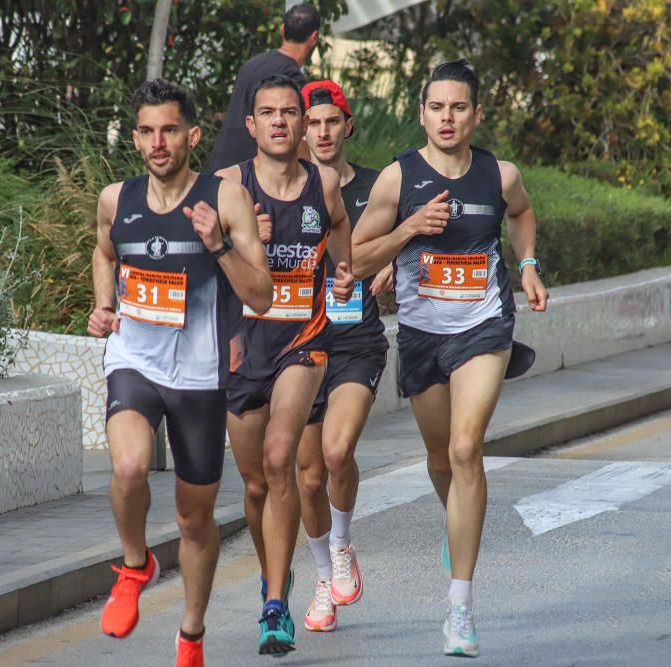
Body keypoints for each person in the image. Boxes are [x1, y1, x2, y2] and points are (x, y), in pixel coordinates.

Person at [351, 59, 547, 658]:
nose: (447, 118)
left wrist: (530, 263)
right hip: (421, 335)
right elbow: (356, 260)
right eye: (437, 107)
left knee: (466, 449)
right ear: (422, 114)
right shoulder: (397, 179)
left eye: (459, 107)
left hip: (484, 327)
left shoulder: (499, 175)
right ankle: (455, 517)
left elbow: (522, 214)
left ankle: (459, 607)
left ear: (476, 114)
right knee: (441, 457)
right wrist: (408, 229)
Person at [89, 78, 273, 667]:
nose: (157, 142)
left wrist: (218, 245)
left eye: (169, 130)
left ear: (192, 134)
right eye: (146, 131)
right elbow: (104, 252)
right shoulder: (116, 199)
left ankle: (191, 634)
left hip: (200, 374)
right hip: (134, 360)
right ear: (136, 137)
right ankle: (135, 564)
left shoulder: (225, 199)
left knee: (195, 519)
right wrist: (104, 306)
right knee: (128, 465)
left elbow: (263, 295)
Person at [214, 74, 355, 657]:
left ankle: (275, 606)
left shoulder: (322, 182)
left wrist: (343, 268)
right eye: (267, 113)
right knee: (253, 485)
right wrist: (244, 238)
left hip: (305, 339)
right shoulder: (227, 186)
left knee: (281, 460)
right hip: (244, 347)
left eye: (289, 113)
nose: (279, 121)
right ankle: (278, 571)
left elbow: (341, 224)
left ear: (303, 124)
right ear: (252, 126)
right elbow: (202, 254)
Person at [294, 79, 392, 633]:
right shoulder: (289, 188)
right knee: (308, 480)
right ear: (302, 131)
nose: (323, 131)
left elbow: (410, 240)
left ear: (347, 126)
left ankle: (343, 545)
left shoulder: (379, 186)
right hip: (303, 345)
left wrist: (396, 262)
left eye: (333, 121)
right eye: (314, 123)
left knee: (336, 454)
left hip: (357, 341)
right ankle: (321, 578)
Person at [206, 3, 320, 174]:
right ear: (314, 37)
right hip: (249, 180)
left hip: (219, 167)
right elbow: (300, 138)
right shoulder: (293, 80)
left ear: (282, 30)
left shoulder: (252, 64)